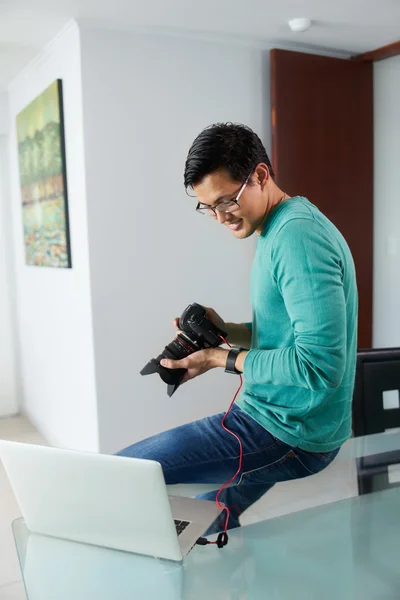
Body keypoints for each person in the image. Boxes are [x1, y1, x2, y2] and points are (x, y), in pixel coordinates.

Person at [117, 123, 358, 533]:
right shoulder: (277, 228)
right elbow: (285, 333)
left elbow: (319, 366)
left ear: (261, 176)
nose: (219, 216)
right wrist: (226, 329)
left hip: (284, 430)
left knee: (123, 472)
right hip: (288, 422)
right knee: (208, 514)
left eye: (226, 201)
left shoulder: (297, 237)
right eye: (207, 207)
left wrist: (219, 358)